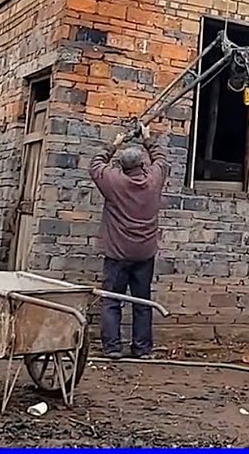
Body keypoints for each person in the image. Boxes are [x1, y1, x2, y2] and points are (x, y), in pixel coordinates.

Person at [89, 123, 169, 359]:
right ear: (143, 165)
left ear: (122, 167)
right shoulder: (154, 180)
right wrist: (147, 139)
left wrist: (113, 145)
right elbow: (162, 159)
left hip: (117, 253)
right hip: (144, 253)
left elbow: (95, 165)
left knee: (112, 300)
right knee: (141, 301)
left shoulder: (114, 181)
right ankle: (142, 349)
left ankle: (113, 348)